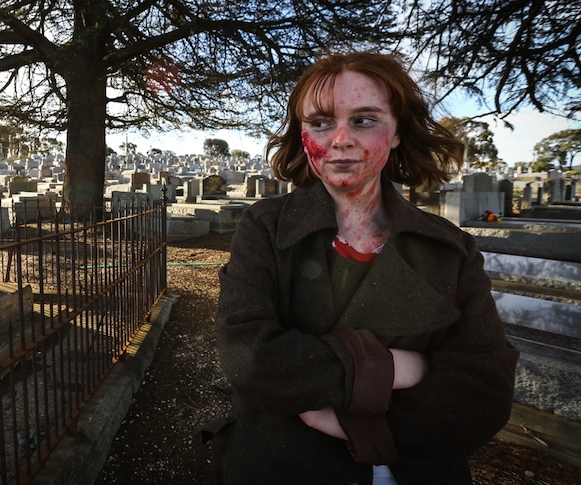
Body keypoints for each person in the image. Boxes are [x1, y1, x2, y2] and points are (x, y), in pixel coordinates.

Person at [202, 52, 519, 484]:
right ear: (302, 132)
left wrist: (355, 425)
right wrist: (403, 367)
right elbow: (250, 359)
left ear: (396, 133)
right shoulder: (266, 228)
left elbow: (483, 394)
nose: (341, 139)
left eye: (365, 120)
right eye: (321, 122)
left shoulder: (450, 249)